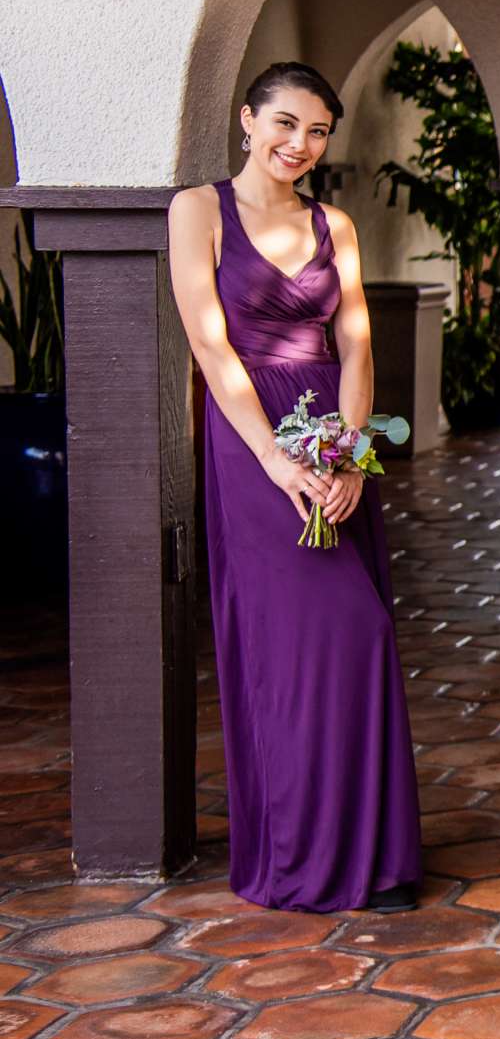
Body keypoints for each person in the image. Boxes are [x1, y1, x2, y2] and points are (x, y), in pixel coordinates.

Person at [165, 62, 421, 912]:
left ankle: (375, 856)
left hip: (330, 434)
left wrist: (345, 456)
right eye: (284, 124)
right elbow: (212, 348)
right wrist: (279, 461)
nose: (298, 145)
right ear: (248, 119)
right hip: (253, 447)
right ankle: (299, 855)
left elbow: (357, 348)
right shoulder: (197, 211)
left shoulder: (335, 225)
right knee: (289, 650)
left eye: (315, 131)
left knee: (362, 632)